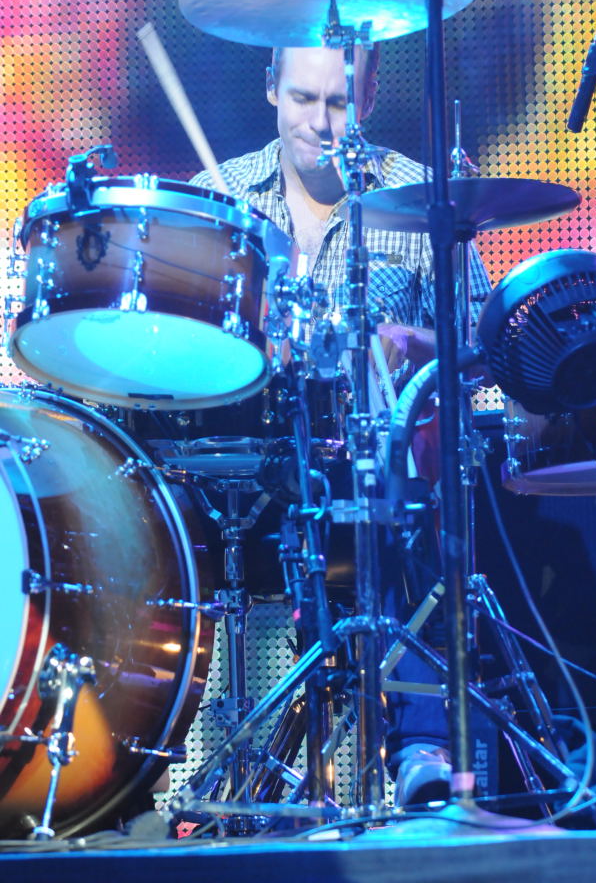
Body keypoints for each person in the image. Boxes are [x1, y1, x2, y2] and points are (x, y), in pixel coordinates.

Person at [191, 43, 491, 805]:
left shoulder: (420, 197)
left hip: (374, 487)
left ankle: (419, 745)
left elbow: (483, 355)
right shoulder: (216, 197)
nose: (321, 123)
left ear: (372, 95)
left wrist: (424, 345)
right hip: (239, 479)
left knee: (380, 477)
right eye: (303, 99)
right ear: (271, 88)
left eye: (339, 102)